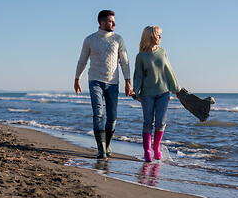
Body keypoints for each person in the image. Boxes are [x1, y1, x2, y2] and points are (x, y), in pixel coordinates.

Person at [74, 10, 134, 159]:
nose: (114, 23)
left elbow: (124, 61)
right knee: (98, 113)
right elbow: (82, 60)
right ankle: (101, 149)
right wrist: (77, 79)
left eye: (114, 21)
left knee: (112, 117)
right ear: (102, 22)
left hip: (113, 83)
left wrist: (128, 82)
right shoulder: (90, 39)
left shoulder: (118, 39)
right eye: (111, 21)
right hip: (95, 80)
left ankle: (107, 144)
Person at [133, 26, 180, 162]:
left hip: (164, 92)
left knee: (160, 122)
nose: (160, 38)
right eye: (158, 35)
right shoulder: (140, 56)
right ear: (151, 36)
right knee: (148, 122)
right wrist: (135, 91)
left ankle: (156, 148)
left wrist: (176, 89)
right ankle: (147, 151)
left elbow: (169, 71)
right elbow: (138, 76)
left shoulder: (163, 52)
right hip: (147, 94)